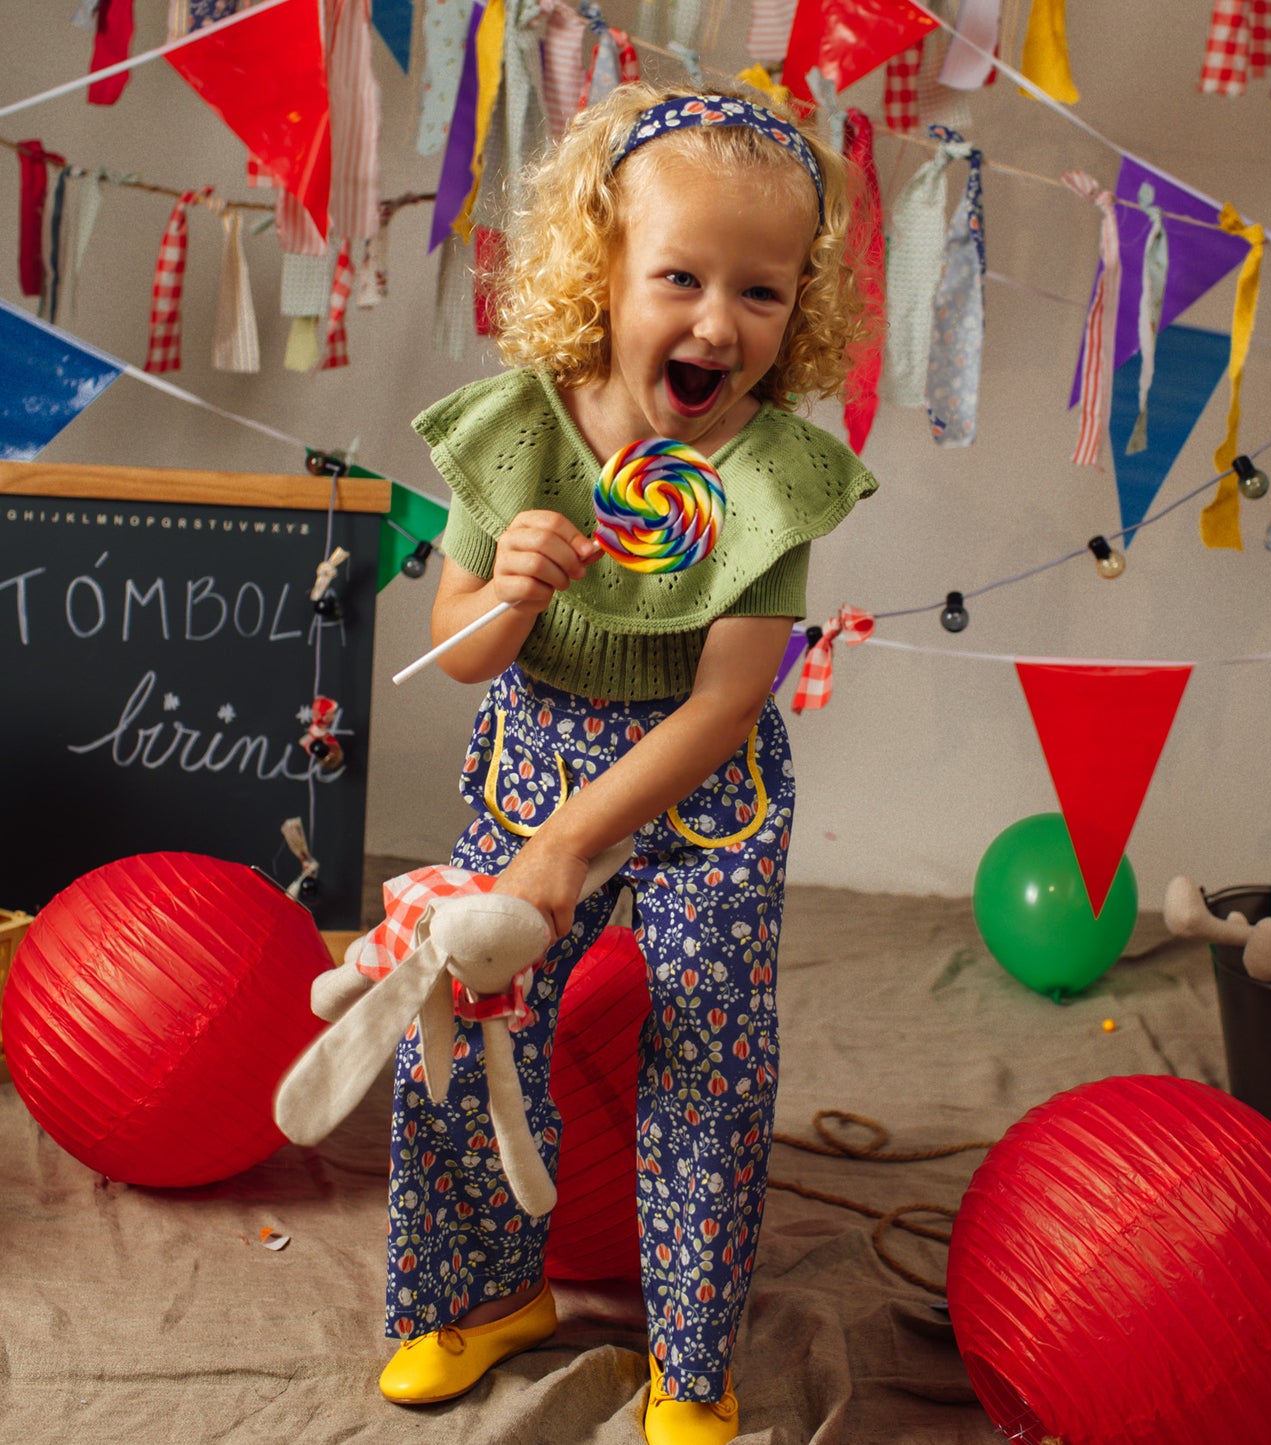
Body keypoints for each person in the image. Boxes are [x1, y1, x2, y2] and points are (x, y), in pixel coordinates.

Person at [380, 83, 878, 1445]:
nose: (717, 323)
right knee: (469, 1026)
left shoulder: (771, 479)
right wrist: (516, 593)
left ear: (800, 310)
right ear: (599, 270)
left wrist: (573, 842)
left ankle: (692, 1358)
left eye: (762, 294)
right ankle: (484, 1294)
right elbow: (459, 650)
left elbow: (725, 706)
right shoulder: (517, 428)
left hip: (699, 794)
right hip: (527, 761)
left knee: (708, 1050)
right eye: (680, 277)